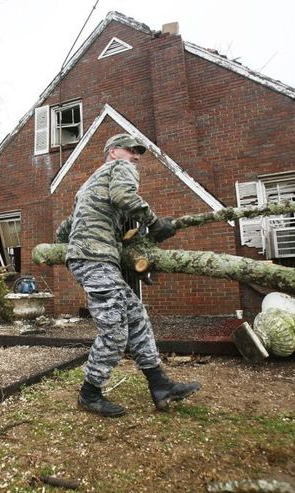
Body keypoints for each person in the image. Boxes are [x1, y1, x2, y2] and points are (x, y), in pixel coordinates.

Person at [56, 133, 201, 417]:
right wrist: (155, 222)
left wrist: (71, 248)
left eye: (139, 153)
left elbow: (66, 228)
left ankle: (160, 385)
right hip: (95, 260)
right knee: (114, 331)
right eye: (132, 150)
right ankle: (89, 393)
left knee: (136, 317)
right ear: (113, 152)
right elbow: (125, 196)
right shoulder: (120, 169)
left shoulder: (87, 187)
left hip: (94, 258)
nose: (136, 157)